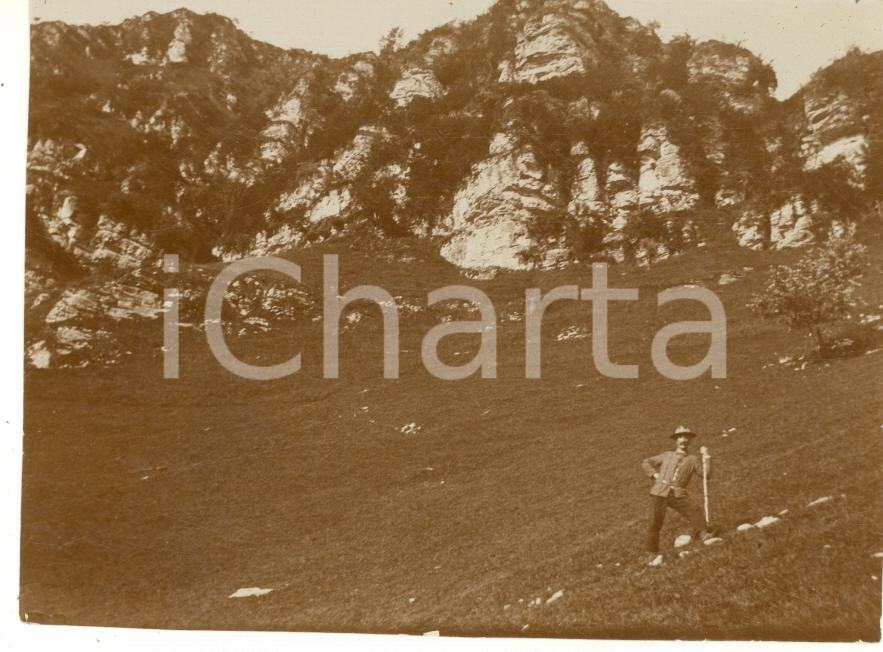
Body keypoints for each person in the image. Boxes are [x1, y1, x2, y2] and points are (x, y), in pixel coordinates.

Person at [641, 425, 712, 566]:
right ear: (676, 440)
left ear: (690, 441)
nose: (683, 440)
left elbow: (706, 475)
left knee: (694, 510)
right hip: (659, 492)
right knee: (654, 522)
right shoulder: (667, 455)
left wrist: (707, 456)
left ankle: (704, 534)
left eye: (686, 437)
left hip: (678, 493)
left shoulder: (692, 459)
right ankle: (652, 553)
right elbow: (646, 462)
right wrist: (654, 474)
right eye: (680, 437)